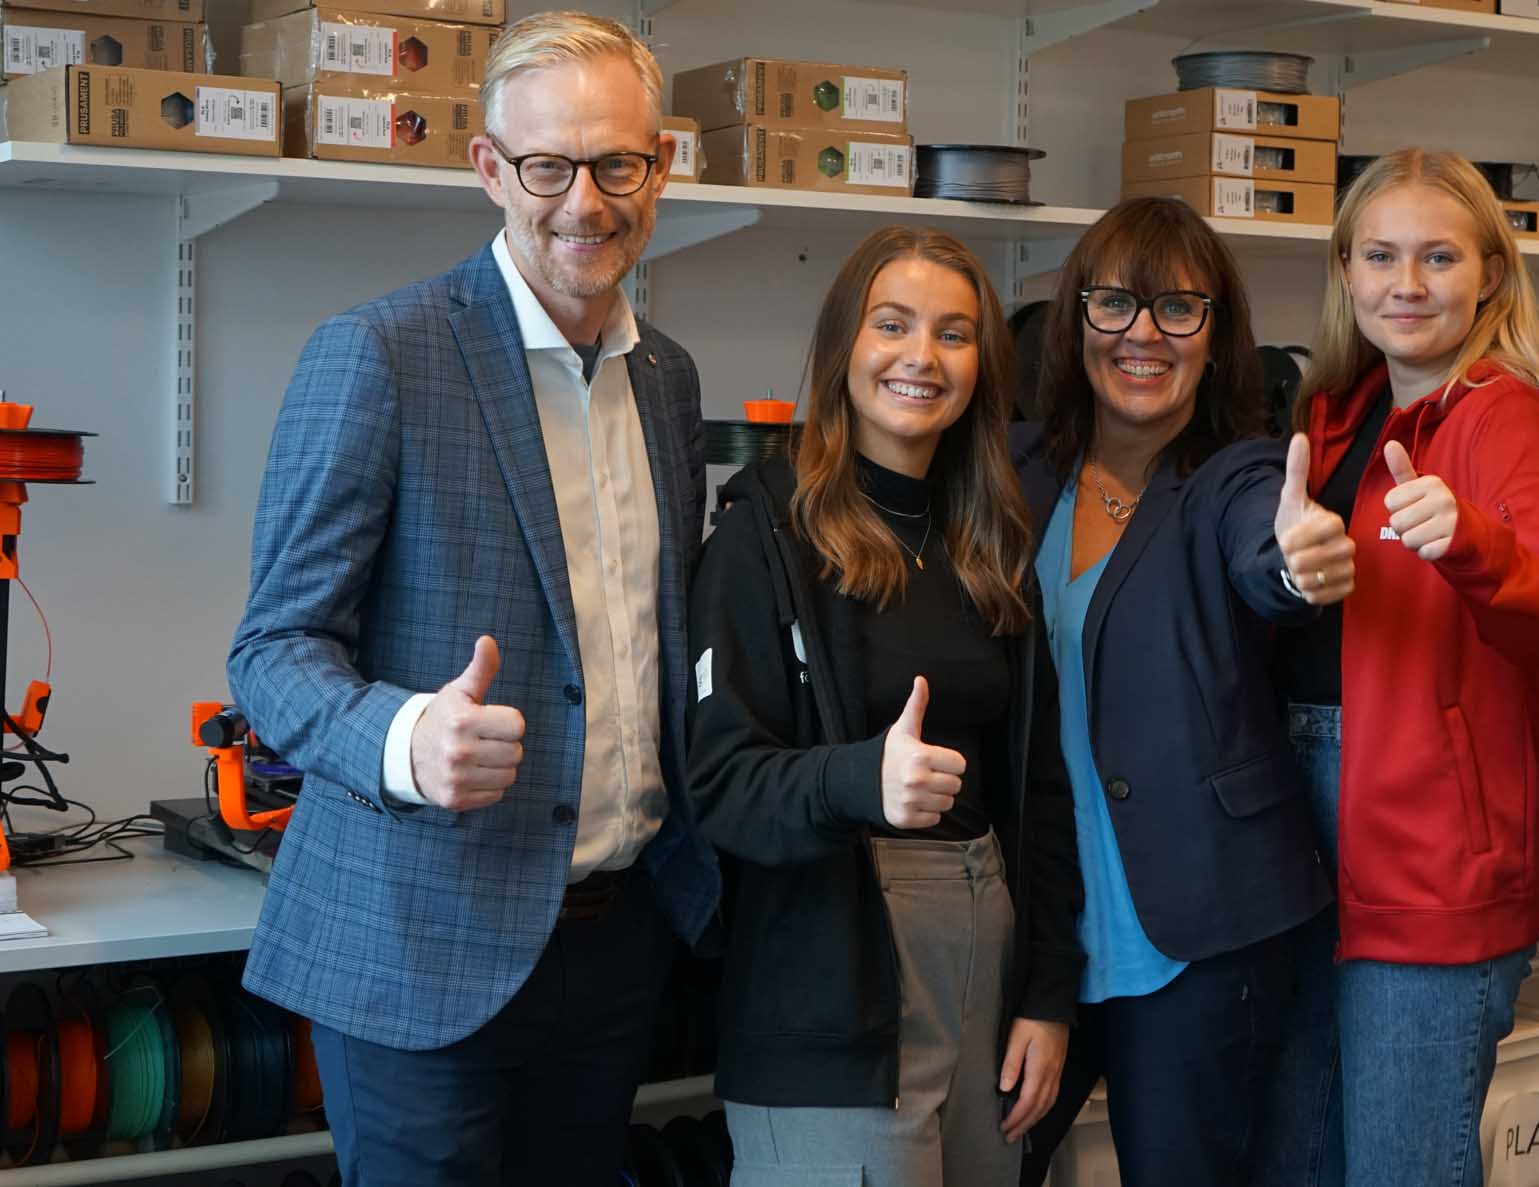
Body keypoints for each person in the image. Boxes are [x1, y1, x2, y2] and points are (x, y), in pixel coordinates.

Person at [225, 12, 718, 1185]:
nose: (584, 203)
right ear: (490, 169)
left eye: (617, 164)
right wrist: (403, 737)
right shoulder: (380, 354)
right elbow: (273, 646)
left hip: (612, 942)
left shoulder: (667, 377)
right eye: (547, 166)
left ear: (661, 164)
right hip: (417, 944)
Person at [686, 225, 1084, 1187]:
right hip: (829, 989)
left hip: (985, 972)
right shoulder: (762, 537)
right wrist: (859, 778)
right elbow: (720, 783)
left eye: (954, 333)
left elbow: (1040, 788)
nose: (921, 356)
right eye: (892, 324)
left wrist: (1045, 995)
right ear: (842, 349)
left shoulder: (988, 544)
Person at [1261, 148, 1539, 1187]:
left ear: (1489, 273)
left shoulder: (1502, 413)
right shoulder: (1336, 412)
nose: (1405, 284)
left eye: (1438, 256)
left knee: (1400, 1165)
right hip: (1308, 825)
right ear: (1344, 269)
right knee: (1297, 1158)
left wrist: (1467, 541)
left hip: (1428, 852)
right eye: (1379, 255)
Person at [1013, 196, 1353, 1187]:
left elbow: (1266, 551)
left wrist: (1297, 559)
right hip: (1037, 929)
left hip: (1200, 930)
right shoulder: (1016, 465)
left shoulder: (1233, 473)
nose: (1142, 336)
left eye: (1178, 309)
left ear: (1217, 334)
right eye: (1113, 304)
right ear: (1074, 318)